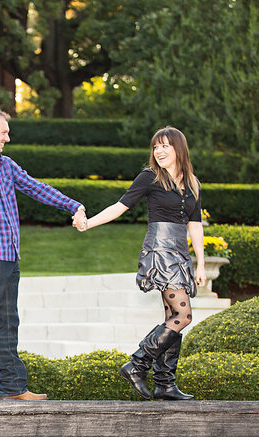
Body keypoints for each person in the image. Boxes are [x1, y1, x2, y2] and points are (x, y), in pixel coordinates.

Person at [0, 108, 88, 401]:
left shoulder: (6, 166)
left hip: (9, 255)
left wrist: (73, 205)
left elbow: (37, 189)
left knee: (9, 320)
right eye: (3, 132)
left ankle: (13, 387)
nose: (7, 138)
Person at [75, 127, 206, 400]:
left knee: (172, 318)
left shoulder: (192, 183)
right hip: (160, 252)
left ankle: (165, 384)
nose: (159, 151)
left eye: (165, 146)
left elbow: (195, 225)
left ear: (179, 149)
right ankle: (137, 364)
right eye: (156, 147)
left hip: (181, 254)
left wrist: (201, 264)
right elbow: (120, 206)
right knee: (184, 317)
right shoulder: (149, 177)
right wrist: (89, 223)